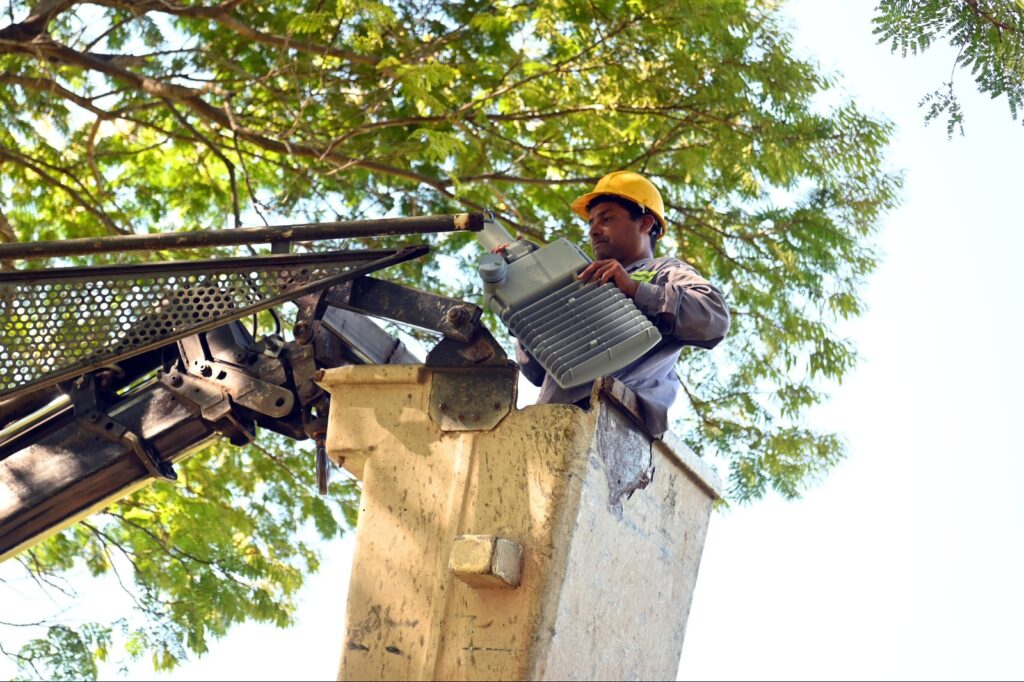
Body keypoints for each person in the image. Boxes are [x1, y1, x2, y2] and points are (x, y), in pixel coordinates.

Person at [513, 170, 730, 438]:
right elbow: (536, 373)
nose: (593, 230)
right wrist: (526, 311)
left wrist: (634, 289)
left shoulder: (664, 271)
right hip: (551, 421)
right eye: (591, 222)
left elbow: (714, 317)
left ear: (646, 223)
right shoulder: (583, 283)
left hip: (619, 421)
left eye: (607, 219)